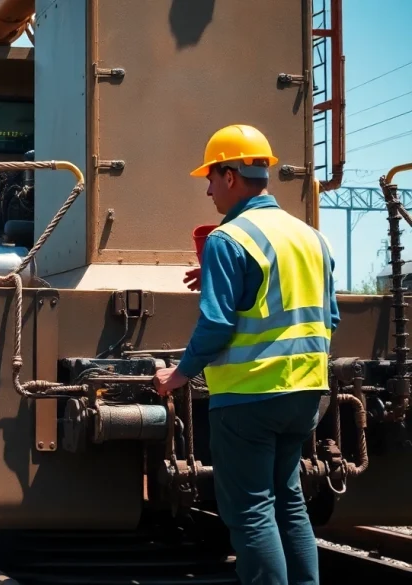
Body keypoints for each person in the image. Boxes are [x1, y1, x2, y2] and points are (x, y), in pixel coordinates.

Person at [153, 124, 339, 585]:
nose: (209, 191)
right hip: (306, 392)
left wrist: (179, 374)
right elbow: (329, 317)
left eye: (211, 178)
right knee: (288, 502)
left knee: (252, 510)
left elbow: (217, 325)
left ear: (231, 176)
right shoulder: (312, 238)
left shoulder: (228, 238)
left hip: (249, 395)